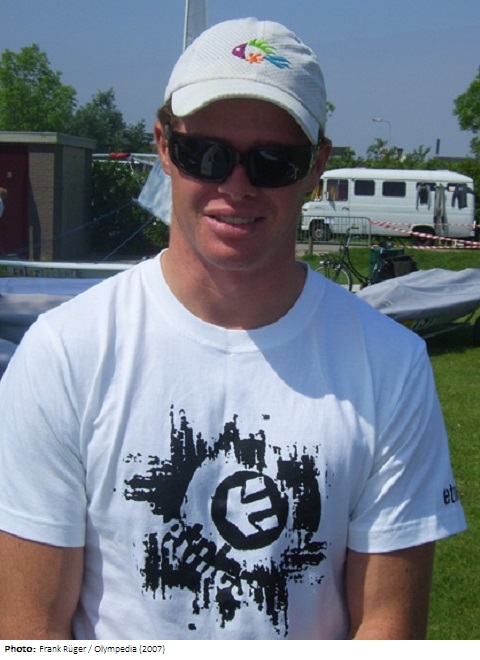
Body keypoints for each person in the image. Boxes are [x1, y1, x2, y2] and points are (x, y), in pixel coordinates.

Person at [0, 17, 466, 640]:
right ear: (164, 146)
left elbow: (387, 627)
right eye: (207, 155)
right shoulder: (64, 353)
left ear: (317, 166)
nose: (236, 186)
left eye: (274, 161)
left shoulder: (391, 366)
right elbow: (30, 629)